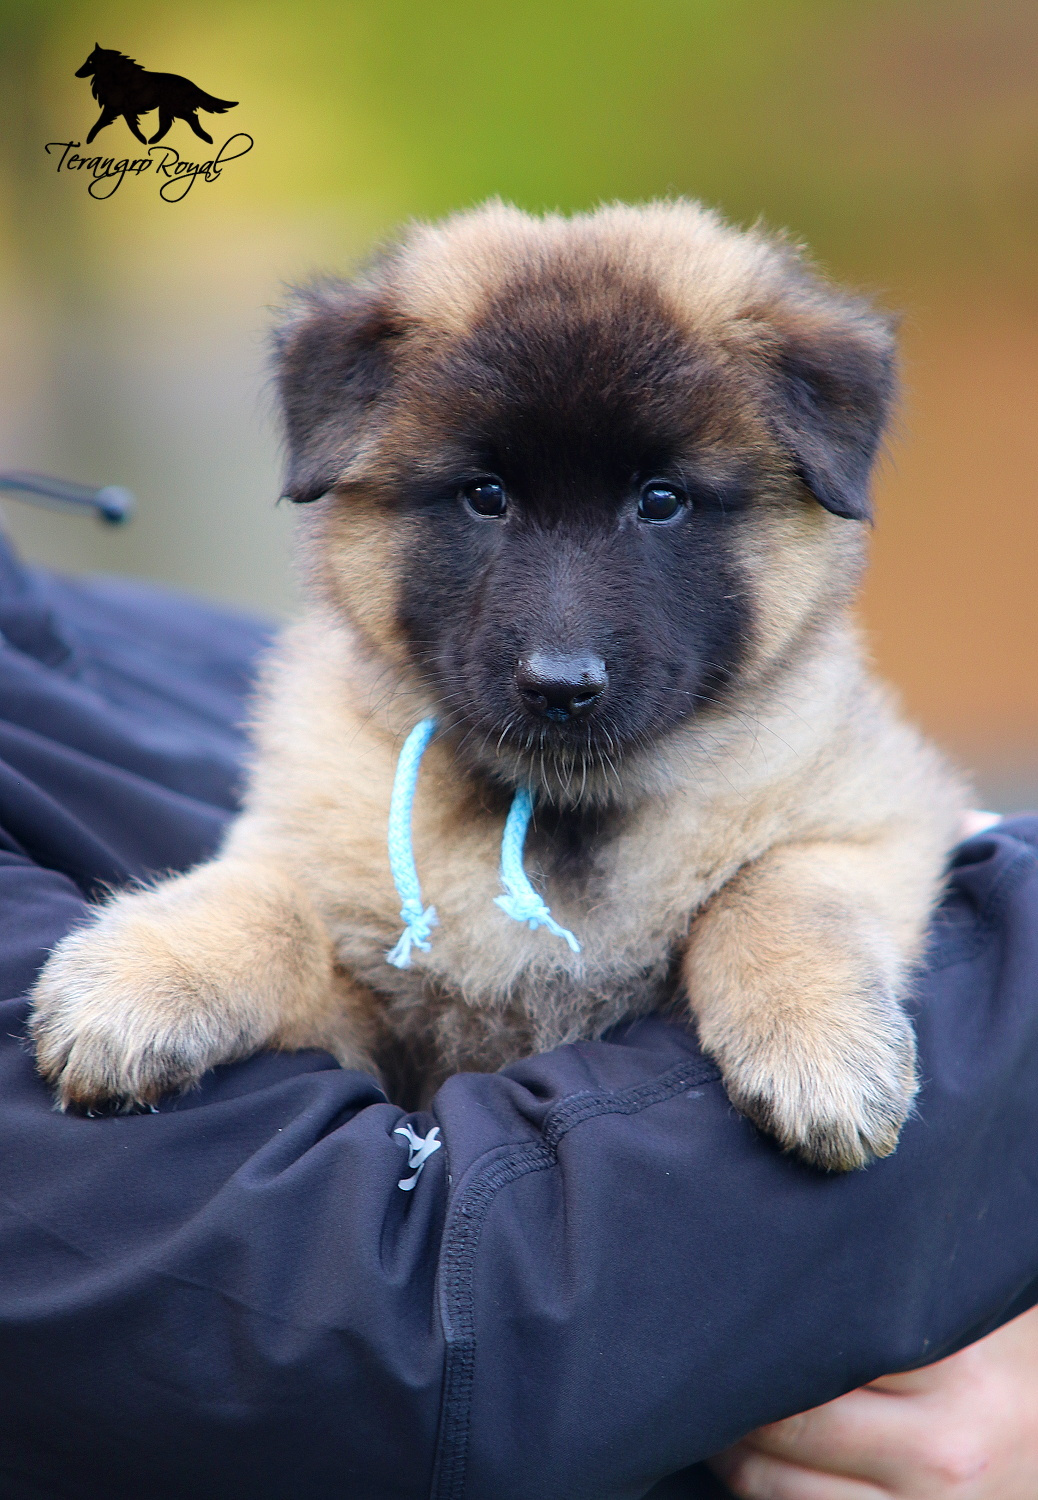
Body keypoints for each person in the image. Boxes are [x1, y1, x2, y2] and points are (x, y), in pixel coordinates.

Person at [0, 523, 1036, 1500]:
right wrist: (246, 937)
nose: (561, 645)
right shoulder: (334, 685)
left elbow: (880, 840)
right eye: (484, 499)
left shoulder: (159, 640)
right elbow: (385, 1314)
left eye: (664, 503)